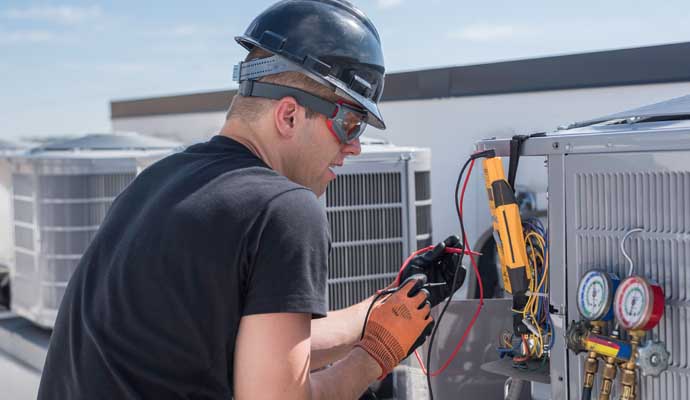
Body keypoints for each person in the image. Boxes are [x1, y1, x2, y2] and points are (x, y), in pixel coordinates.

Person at [38, 1, 464, 398]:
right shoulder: (284, 209)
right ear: (289, 115)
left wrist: (385, 306)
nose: (354, 147)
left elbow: (258, 347)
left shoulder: (154, 184)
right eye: (350, 124)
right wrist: (376, 356)